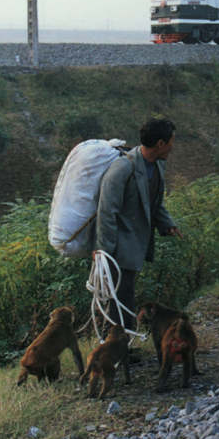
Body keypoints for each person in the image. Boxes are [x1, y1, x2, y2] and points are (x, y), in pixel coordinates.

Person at [94, 117, 183, 332]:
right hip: (117, 246)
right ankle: (115, 351)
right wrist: (104, 252)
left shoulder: (156, 166)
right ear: (160, 144)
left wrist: (167, 224)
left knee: (124, 296)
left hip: (134, 243)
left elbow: (153, 202)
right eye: (171, 141)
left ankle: (120, 347)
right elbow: (106, 212)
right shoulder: (123, 169)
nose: (173, 146)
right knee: (118, 297)